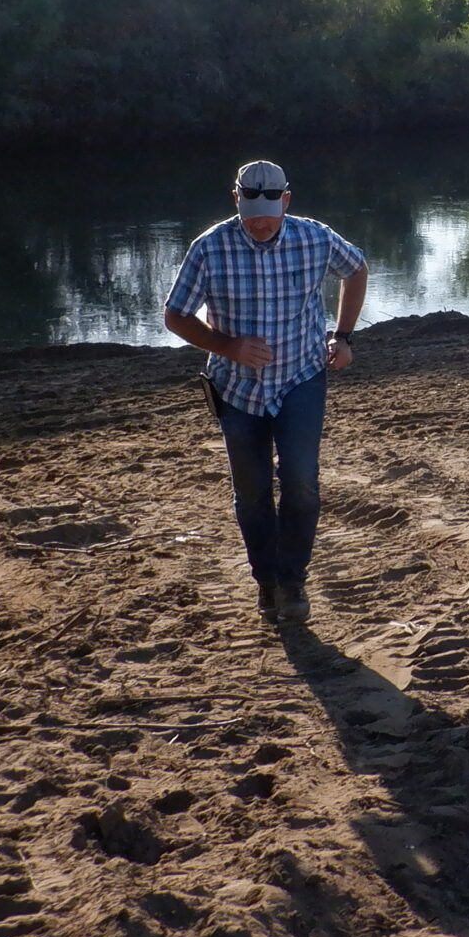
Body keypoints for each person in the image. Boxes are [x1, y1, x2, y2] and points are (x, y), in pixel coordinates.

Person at [162, 160, 367, 622]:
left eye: (268, 212)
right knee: (252, 493)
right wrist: (227, 346)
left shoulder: (315, 237)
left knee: (300, 483)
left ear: (286, 201)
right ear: (236, 200)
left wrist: (345, 336)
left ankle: (293, 582)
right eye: (250, 210)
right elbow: (175, 315)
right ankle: (267, 581)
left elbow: (356, 270)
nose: (259, 222)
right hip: (237, 390)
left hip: (301, 377)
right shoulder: (209, 248)